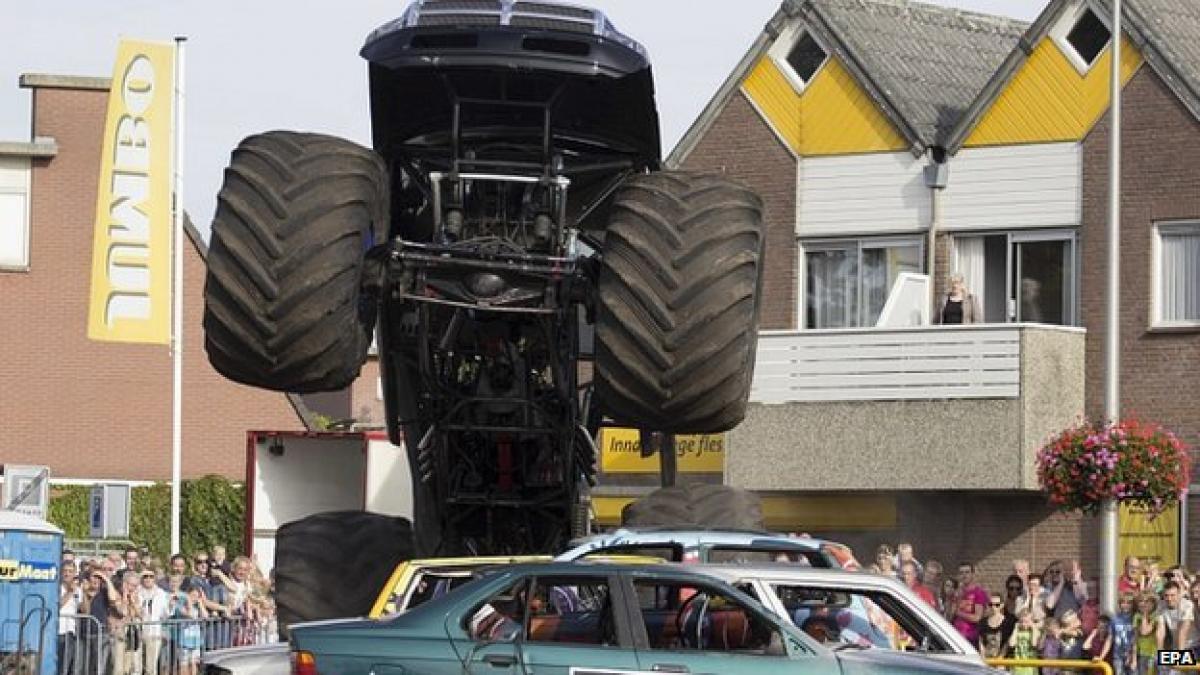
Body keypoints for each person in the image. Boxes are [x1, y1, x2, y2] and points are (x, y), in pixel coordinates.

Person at [139, 569, 170, 675]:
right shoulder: (136, 591)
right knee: (136, 667)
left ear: (155, 578)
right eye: (145, 576)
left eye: (150, 576)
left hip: (154, 633)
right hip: (138, 633)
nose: (148, 579)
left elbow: (166, 614)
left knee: (151, 667)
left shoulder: (161, 593)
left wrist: (171, 605)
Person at [953, 563, 988, 644]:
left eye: (967, 572)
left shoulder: (979, 592)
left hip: (970, 637)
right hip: (955, 635)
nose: (964, 575)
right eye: (961, 573)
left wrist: (959, 613)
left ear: (972, 574)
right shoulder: (958, 592)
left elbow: (977, 617)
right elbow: (950, 615)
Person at [58, 560, 81, 675]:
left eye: (70, 571)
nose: (67, 574)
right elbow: (57, 606)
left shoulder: (78, 589)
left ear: (75, 573)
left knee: (67, 667)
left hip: (70, 633)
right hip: (58, 631)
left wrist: (85, 594)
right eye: (65, 571)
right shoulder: (56, 588)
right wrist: (70, 592)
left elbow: (85, 609)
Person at [1134, 592, 1165, 675]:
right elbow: (1138, 636)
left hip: (1155, 654)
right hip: (1143, 653)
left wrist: (1145, 614)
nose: (1145, 604)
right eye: (1142, 601)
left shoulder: (1157, 617)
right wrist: (1133, 658)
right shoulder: (1137, 616)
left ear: (1154, 603)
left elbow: (1146, 631)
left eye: (1148, 601)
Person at [978, 593, 1014, 658]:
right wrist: (983, 659)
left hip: (1002, 661)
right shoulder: (982, 622)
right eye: (990, 604)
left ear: (1002, 605)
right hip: (986, 659)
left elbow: (1007, 644)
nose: (993, 607)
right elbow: (981, 643)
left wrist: (999, 659)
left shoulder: (1008, 622)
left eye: (997, 605)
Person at [1007, 609, 1040, 675]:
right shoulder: (1016, 632)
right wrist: (1015, 629)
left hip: (1030, 666)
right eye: (1021, 621)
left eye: (1026, 622)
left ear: (1032, 621)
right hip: (1017, 665)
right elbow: (1011, 644)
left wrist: (1033, 627)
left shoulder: (1035, 631)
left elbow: (1034, 644)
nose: (1023, 624)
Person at [1113, 593, 1136, 675]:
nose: (1125, 605)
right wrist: (1101, 656)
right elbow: (1109, 638)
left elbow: (1135, 640)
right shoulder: (1115, 618)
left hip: (1132, 655)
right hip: (1118, 656)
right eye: (1123, 602)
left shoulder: (1135, 618)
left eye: (1129, 603)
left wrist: (1131, 656)